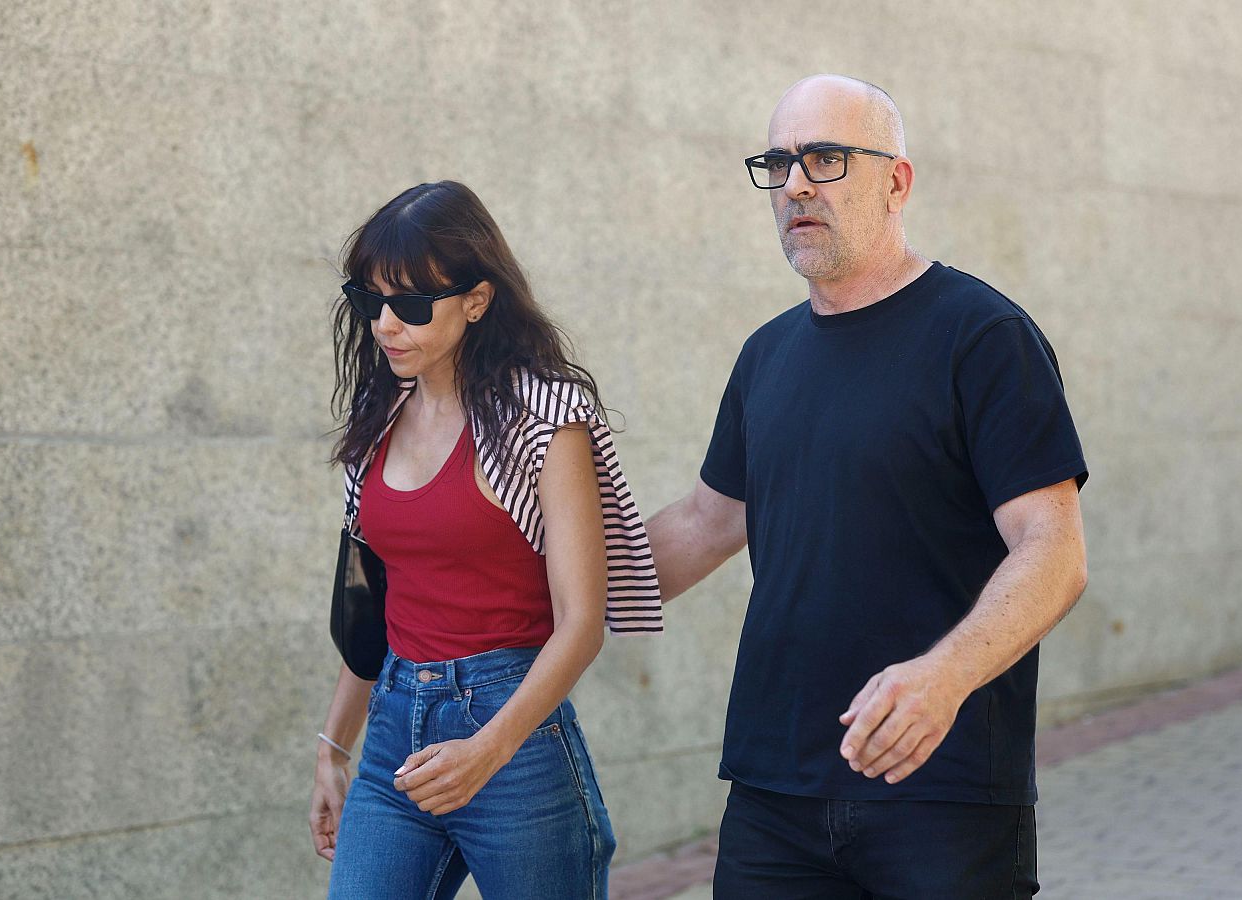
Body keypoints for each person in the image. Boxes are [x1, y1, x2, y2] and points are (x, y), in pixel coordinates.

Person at [646, 74, 1089, 897]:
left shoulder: (983, 337)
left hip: (939, 787)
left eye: (825, 157)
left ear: (897, 181)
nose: (797, 185)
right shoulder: (765, 357)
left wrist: (945, 675)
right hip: (775, 793)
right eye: (779, 164)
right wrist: (531, 596)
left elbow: (1054, 551)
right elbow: (708, 522)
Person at [309, 180, 662, 899]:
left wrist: (487, 750)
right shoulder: (380, 412)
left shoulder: (544, 415)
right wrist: (332, 747)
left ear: (476, 299)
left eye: (410, 305)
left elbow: (582, 623)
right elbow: (376, 608)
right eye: (369, 301)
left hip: (513, 732)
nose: (384, 325)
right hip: (394, 731)